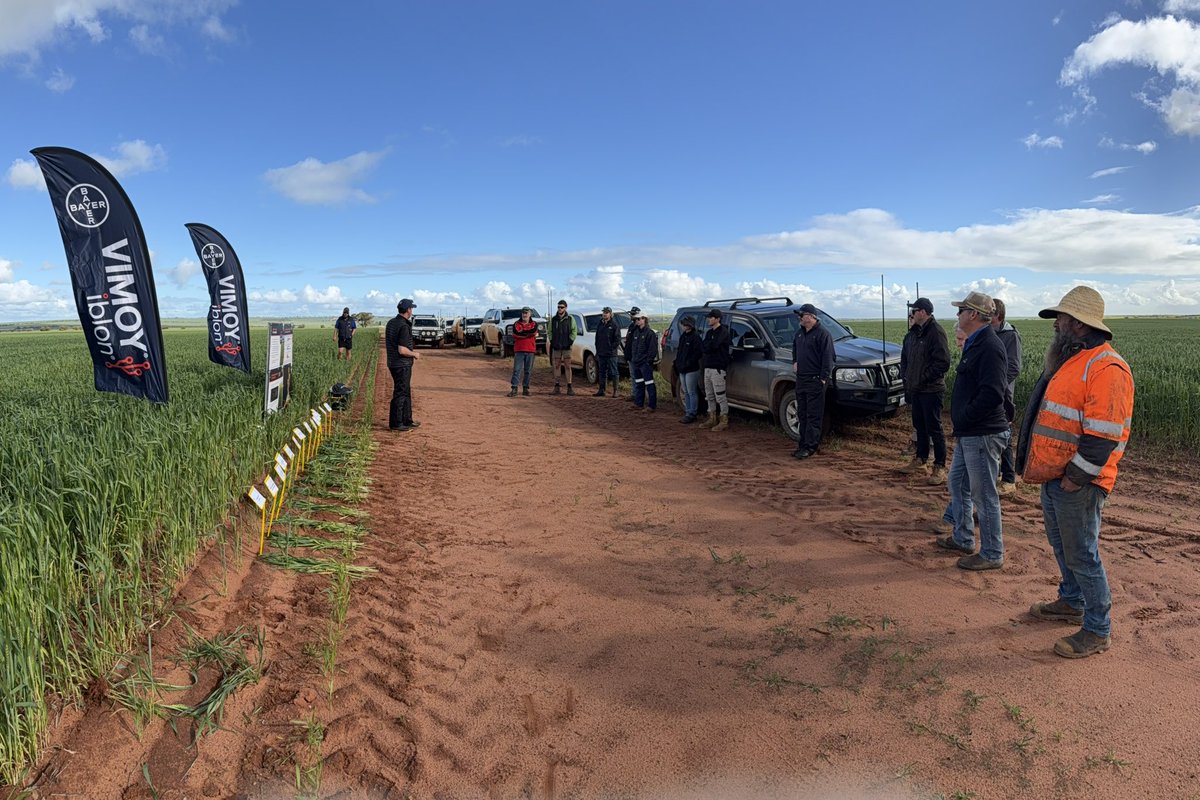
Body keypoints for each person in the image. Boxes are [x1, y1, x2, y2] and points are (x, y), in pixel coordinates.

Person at [1017, 286, 1133, 659]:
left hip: (1080, 482)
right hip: (1057, 477)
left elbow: (1103, 438)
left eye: (1062, 319)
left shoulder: (1107, 367)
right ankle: (1071, 602)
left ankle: (1098, 629)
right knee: (1062, 545)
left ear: (1080, 325)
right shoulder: (1073, 359)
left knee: (1082, 554)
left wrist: (1074, 478)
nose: (1057, 325)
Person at [934, 291, 1009, 570]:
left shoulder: (989, 346)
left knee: (984, 494)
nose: (958, 315)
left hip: (982, 433)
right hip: (971, 433)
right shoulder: (977, 343)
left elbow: (992, 393)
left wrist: (964, 416)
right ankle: (963, 537)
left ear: (974, 315)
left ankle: (991, 552)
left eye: (962, 310)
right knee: (958, 483)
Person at [899, 297, 951, 483]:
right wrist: (907, 378)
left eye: (914, 311)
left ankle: (939, 466)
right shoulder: (913, 334)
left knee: (934, 428)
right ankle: (921, 459)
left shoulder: (936, 332)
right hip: (915, 389)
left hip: (931, 390)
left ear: (923, 312)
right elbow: (905, 359)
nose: (911, 314)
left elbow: (943, 362)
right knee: (919, 426)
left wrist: (922, 378)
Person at [790, 303, 834, 459]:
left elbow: (828, 359)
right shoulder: (799, 334)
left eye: (801, 315)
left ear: (810, 317)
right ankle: (802, 444)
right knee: (802, 413)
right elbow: (795, 350)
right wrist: (795, 361)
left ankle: (811, 447)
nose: (799, 318)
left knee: (813, 415)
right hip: (801, 379)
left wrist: (822, 379)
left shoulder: (823, 334)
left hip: (815, 380)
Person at [991, 299, 1023, 495]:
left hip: (1003, 395)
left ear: (998, 316)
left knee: (1005, 436)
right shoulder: (988, 334)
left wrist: (995, 384)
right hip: (991, 392)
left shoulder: (1010, 336)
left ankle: (1009, 479)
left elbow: (1014, 367)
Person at [385, 299, 420, 432]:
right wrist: (414, 354)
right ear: (408, 310)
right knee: (401, 392)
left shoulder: (392, 322)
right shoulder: (404, 326)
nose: (412, 311)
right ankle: (397, 423)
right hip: (402, 364)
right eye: (411, 308)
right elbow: (402, 350)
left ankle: (407, 420)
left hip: (393, 363)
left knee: (405, 391)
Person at [698, 308, 732, 430]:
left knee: (720, 395)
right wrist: (708, 346)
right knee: (709, 395)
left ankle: (724, 419)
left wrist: (709, 346)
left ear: (717, 319)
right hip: (708, 367)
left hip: (718, 368)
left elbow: (714, 345)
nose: (709, 319)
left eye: (711, 317)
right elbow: (704, 346)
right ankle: (712, 417)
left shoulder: (723, 332)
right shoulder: (709, 333)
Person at [673, 316, 703, 423]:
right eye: (683, 324)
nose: (683, 326)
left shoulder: (695, 338)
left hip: (691, 369)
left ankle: (692, 413)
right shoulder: (683, 337)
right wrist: (678, 363)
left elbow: (698, 353)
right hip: (682, 369)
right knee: (685, 391)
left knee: (691, 391)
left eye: (685, 324)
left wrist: (687, 363)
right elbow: (680, 351)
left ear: (690, 325)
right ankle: (688, 411)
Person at [627, 312, 658, 411]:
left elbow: (652, 349)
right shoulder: (636, 332)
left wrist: (648, 361)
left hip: (645, 364)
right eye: (636, 319)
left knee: (649, 384)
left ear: (644, 319)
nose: (637, 321)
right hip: (636, 362)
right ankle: (639, 403)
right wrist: (634, 358)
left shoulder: (650, 333)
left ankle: (651, 406)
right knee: (639, 384)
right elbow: (633, 347)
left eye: (639, 319)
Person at [548, 299, 577, 395]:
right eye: (558, 307)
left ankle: (569, 387)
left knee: (568, 366)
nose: (560, 309)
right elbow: (549, 331)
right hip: (556, 347)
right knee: (556, 366)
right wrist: (552, 341)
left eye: (562, 307)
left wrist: (570, 341)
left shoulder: (570, 319)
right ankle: (557, 386)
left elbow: (574, 331)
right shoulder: (553, 319)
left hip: (566, 347)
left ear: (566, 308)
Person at [508, 307, 537, 397]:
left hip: (530, 350)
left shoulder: (534, 324)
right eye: (523, 313)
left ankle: (525, 388)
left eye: (526, 313)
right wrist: (527, 334)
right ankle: (514, 388)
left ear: (530, 314)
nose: (524, 315)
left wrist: (523, 332)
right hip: (519, 350)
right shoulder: (516, 324)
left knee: (528, 370)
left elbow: (533, 332)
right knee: (517, 370)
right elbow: (516, 334)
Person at [594, 306, 621, 397]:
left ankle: (616, 390)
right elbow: (597, 338)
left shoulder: (614, 325)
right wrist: (597, 350)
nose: (605, 314)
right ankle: (602, 390)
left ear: (610, 314)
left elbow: (617, 340)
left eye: (607, 312)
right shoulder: (600, 324)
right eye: (604, 312)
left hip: (611, 354)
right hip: (601, 353)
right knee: (602, 372)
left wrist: (611, 349)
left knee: (614, 372)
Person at [622, 306, 641, 400]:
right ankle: (634, 395)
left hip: (638, 356)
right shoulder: (631, 326)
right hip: (630, 355)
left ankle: (640, 396)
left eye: (633, 314)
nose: (631, 316)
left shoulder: (640, 327)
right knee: (633, 376)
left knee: (639, 377)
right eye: (631, 314)